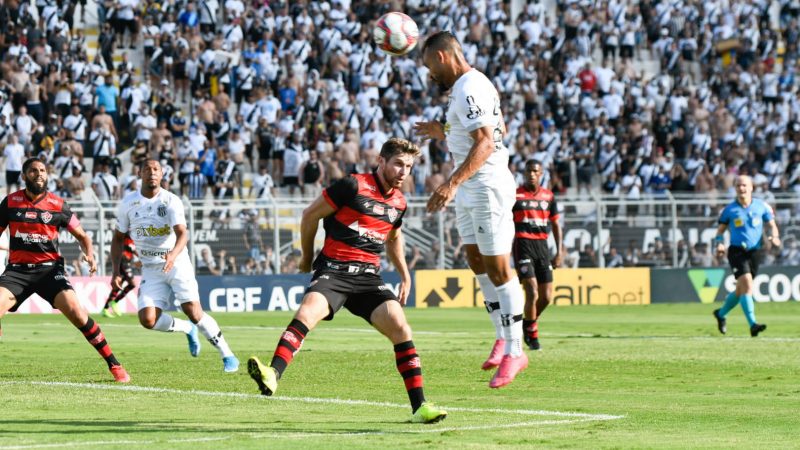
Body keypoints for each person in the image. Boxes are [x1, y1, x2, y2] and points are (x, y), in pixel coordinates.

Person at [247, 138, 447, 424]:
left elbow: (394, 237)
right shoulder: (352, 185)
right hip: (335, 270)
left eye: (409, 166)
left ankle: (420, 407)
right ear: (381, 161)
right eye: (398, 164)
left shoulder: (399, 203)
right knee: (307, 313)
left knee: (401, 328)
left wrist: (404, 274)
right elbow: (309, 216)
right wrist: (306, 258)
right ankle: (273, 373)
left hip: (368, 278)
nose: (404, 171)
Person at [415, 31, 527, 388]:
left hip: (485, 186)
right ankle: (501, 335)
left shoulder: (468, 87)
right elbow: (496, 128)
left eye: (430, 65)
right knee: (475, 260)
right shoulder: (468, 88)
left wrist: (451, 183)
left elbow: (487, 141)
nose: (430, 74)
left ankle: (516, 350)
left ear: (443, 57)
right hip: (471, 186)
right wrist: (444, 131)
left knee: (497, 266)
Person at [0, 158, 130, 382]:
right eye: (33, 171)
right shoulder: (10, 202)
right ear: (24, 176)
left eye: (42, 170)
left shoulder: (57, 205)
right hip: (17, 272)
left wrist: (89, 254)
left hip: (50, 271)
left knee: (78, 313)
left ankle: (114, 364)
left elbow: (82, 236)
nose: (39, 174)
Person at [111, 160, 239, 372]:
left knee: (194, 312)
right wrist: (116, 270)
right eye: (147, 170)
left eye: (156, 170)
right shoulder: (128, 203)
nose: (152, 173)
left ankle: (228, 355)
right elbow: (117, 238)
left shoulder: (171, 201)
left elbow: (183, 234)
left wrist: (172, 255)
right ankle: (186, 328)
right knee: (147, 319)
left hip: (177, 263)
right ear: (139, 174)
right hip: (152, 268)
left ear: (162, 175)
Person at [712, 175, 779, 337]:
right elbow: (719, 232)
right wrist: (719, 243)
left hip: (755, 252)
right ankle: (753, 325)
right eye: (738, 186)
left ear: (751, 188)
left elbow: (772, 226)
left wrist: (774, 237)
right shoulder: (729, 210)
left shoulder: (761, 206)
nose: (741, 188)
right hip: (736, 252)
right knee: (747, 285)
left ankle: (720, 314)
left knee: (740, 290)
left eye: (744, 185)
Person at [512, 160, 563, 350]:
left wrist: (559, 252)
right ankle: (532, 336)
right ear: (524, 173)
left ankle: (528, 323)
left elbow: (556, 225)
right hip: (523, 244)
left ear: (541, 174)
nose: (531, 174)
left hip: (542, 247)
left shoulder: (548, 197)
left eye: (535, 171)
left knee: (547, 297)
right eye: (528, 171)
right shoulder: (515, 195)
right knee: (531, 291)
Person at [103, 234, 138, 318]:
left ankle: (105, 308)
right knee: (132, 284)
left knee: (118, 285)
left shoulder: (133, 237)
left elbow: (132, 248)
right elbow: (128, 247)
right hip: (124, 261)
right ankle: (114, 302)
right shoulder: (125, 234)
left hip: (127, 261)